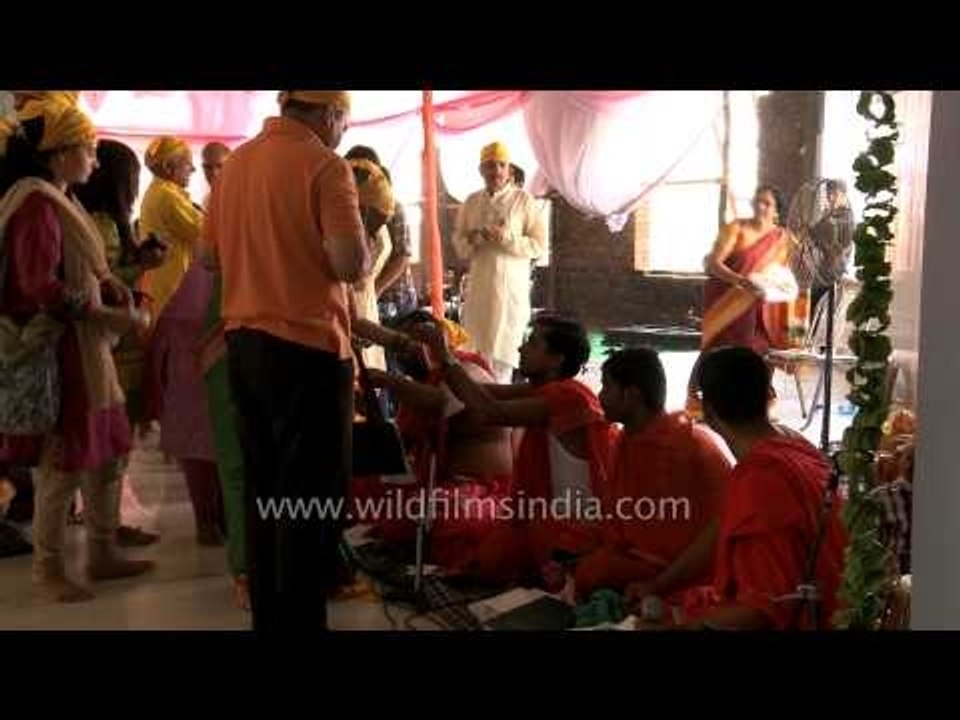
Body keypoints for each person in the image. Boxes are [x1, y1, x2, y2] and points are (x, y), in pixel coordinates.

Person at [206, 90, 368, 631]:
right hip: (308, 352)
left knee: (264, 489)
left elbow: (210, 257)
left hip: (245, 347)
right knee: (309, 499)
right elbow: (348, 262)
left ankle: (271, 620)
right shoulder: (325, 165)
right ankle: (303, 621)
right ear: (330, 113)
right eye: (344, 120)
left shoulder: (234, 167)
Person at [0, 98, 153, 602]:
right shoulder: (38, 204)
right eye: (87, 148)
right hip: (66, 350)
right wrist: (104, 313)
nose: (94, 157)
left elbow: (82, 270)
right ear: (61, 151)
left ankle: (103, 551)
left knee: (107, 453)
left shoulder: (59, 198)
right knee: (62, 462)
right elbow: (35, 284)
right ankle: (49, 569)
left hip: (88, 348)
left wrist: (112, 290)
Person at [411, 313, 612, 585]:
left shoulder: (568, 397)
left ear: (557, 358)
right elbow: (483, 393)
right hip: (538, 517)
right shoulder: (544, 391)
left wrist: (446, 357)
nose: (520, 348)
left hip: (569, 530)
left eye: (532, 343)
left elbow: (487, 410)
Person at [669, 347, 847, 630]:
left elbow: (763, 611)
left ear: (710, 412)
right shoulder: (797, 445)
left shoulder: (760, 481)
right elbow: (722, 527)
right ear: (769, 397)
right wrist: (660, 583)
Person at [573, 348, 731, 599]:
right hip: (641, 556)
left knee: (592, 573)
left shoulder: (685, 447)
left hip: (682, 568)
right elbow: (620, 516)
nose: (600, 396)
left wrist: (655, 583)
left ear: (632, 395)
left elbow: (677, 544)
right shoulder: (626, 440)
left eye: (607, 388)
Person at [363, 311, 514, 573]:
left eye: (409, 345)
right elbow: (405, 441)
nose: (403, 355)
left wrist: (390, 382)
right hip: (439, 481)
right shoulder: (420, 382)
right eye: (398, 348)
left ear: (435, 340)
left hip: (483, 487)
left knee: (448, 517)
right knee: (361, 484)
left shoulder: (468, 369)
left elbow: (442, 402)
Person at [74, 139, 167, 547]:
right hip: (112, 345)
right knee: (113, 439)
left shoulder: (88, 217)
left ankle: (101, 521)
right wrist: (141, 266)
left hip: (105, 343)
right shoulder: (105, 224)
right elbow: (105, 284)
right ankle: (105, 528)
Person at [688, 185, 792, 414]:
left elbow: (782, 272)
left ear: (777, 210)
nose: (759, 206)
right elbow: (713, 263)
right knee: (716, 348)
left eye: (766, 203)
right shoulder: (737, 228)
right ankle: (694, 397)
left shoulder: (782, 237)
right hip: (726, 297)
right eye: (758, 200)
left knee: (761, 349)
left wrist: (776, 288)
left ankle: (758, 398)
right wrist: (741, 280)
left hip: (761, 301)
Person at [452, 142, 547, 383]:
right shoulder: (471, 202)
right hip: (479, 293)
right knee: (475, 359)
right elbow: (460, 245)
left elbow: (538, 246)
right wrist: (476, 238)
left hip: (509, 294)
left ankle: (499, 414)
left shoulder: (523, 201)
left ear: (509, 170)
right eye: (489, 166)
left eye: (501, 165)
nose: (495, 171)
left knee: (503, 359)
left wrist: (507, 238)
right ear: (481, 170)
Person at [343, 145, 419, 321]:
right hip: (363, 301)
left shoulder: (391, 207)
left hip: (395, 298)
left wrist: (375, 289)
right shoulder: (345, 209)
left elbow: (403, 256)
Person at [139, 136, 203, 319]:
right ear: (168, 167)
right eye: (188, 164)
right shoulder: (168, 196)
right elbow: (207, 230)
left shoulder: (158, 192)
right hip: (172, 285)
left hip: (162, 283)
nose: (193, 169)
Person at [348, 158, 394, 371]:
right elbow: (354, 280)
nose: (381, 226)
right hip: (349, 312)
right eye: (381, 219)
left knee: (371, 369)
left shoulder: (375, 232)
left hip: (366, 306)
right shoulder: (343, 235)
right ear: (364, 212)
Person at [200, 142, 231, 210]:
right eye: (208, 167)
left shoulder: (243, 197)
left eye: (220, 166)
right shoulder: (207, 200)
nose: (214, 173)